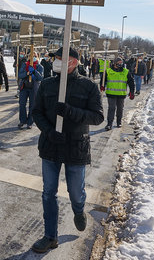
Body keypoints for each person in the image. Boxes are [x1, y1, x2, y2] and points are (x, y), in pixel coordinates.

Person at [31, 47, 104, 253]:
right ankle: (50, 236)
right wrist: (48, 131)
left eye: (59, 59)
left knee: (75, 192)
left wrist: (71, 111)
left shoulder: (88, 86)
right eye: (55, 58)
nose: (55, 61)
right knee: (48, 192)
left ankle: (78, 210)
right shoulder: (47, 84)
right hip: (51, 145)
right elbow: (36, 112)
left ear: (73, 62)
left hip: (76, 148)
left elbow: (97, 116)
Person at [100, 56, 134, 130]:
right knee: (111, 108)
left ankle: (119, 122)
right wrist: (102, 86)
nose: (120, 64)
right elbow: (103, 80)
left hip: (121, 94)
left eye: (121, 63)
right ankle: (109, 124)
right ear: (114, 63)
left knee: (120, 109)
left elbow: (131, 82)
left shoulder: (126, 71)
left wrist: (132, 92)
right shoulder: (108, 71)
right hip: (111, 94)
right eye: (118, 63)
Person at [18, 53, 44, 129]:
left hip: (34, 88)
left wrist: (34, 71)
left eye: (35, 56)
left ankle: (30, 122)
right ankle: (22, 120)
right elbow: (20, 75)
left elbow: (40, 78)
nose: (34, 58)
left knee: (32, 105)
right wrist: (27, 73)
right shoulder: (25, 65)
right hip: (25, 87)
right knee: (22, 104)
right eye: (32, 56)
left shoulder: (40, 67)